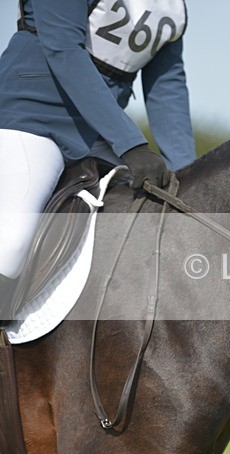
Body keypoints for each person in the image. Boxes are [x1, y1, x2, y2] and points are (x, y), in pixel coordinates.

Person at [0, 0, 196, 318]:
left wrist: (187, 172)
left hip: (98, 135)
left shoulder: (171, 7)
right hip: (31, 117)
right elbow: (63, 47)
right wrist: (131, 144)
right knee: (10, 245)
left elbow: (167, 87)